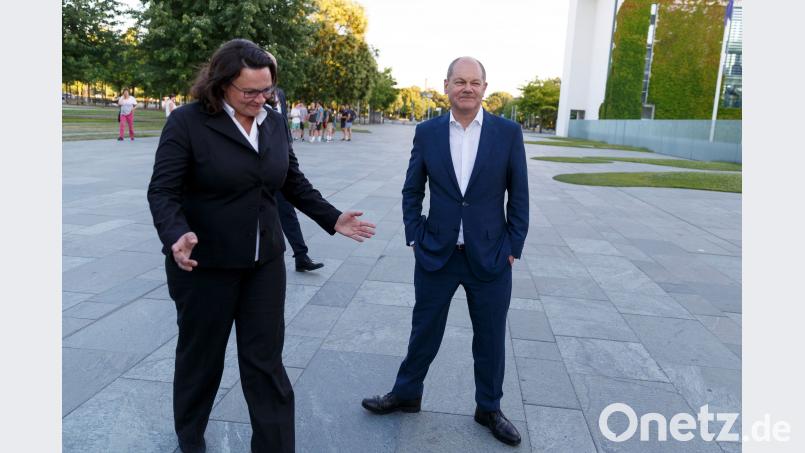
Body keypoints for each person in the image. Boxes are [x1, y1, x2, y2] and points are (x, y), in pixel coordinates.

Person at [147, 39, 376, 453]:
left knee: (265, 363)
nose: (261, 98)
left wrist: (331, 216)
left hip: (264, 264)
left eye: (266, 89)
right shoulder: (187, 122)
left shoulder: (272, 120)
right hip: (205, 266)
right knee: (202, 360)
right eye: (249, 91)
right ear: (220, 85)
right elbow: (162, 191)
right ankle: (191, 437)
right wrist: (175, 234)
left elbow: (291, 180)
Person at [360, 57, 529, 447]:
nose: (466, 88)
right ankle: (406, 394)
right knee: (424, 330)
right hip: (437, 253)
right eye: (459, 81)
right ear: (446, 86)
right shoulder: (428, 132)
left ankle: (489, 407)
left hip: (490, 256)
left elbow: (518, 197)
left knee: (490, 337)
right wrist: (415, 234)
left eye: (474, 82)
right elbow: (411, 189)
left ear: (485, 87)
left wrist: (512, 246)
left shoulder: (507, 133)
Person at [268, 85, 326, 272]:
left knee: (287, 211)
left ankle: (301, 256)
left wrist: (334, 218)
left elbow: (282, 119)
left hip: (280, 160)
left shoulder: (280, 94)